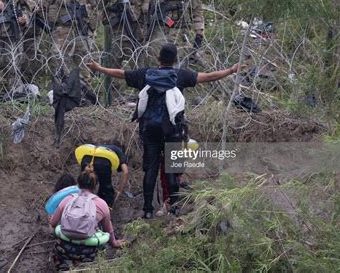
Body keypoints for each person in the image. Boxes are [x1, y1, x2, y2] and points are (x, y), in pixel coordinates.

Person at [87, 43, 246, 219]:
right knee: (172, 168)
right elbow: (209, 76)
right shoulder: (181, 75)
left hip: (149, 130)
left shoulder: (145, 74)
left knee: (151, 170)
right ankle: (174, 208)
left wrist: (99, 68)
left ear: (158, 59)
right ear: (176, 60)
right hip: (173, 130)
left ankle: (147, 210)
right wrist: (231, 70)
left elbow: (121, 73)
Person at [50, 166, 123, 270]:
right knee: (100, 241)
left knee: (59, 256)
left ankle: (63, 268)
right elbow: (108, 229)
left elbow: (53, 223)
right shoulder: (102, 204)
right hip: (87, 252)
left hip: (64, 250)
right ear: (96, 186)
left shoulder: (67, 199)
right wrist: (114, 243)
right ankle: (82, 267)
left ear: (78, 184)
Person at [40, 0, 98, 82]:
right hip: (63, 30)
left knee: (83, 62)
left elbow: (96, 5)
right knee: (57, 56)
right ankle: (64, 86)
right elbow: (42, 7)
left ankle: (84, 92)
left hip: (82, 28)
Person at [102, 0, 151, 68]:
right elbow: (99, 4)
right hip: (117, 35)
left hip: (136, 35)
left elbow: (147, 10)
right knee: (112, 69)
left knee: (139, 69)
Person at [10, 0, 43, 83]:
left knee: (32, 60)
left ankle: (29, 84)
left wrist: (29, 16)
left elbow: (40, 11)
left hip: (31, 34)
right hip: (13, 34)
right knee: (13, 60)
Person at [77, 141, 130, 208]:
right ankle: (105, 209)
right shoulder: (117, 150)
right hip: (103, 163)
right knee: (106, 190)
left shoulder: (98, 146)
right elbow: (125, 172)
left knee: (85, 185)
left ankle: (81, 206)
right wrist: (119, 191)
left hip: (86, 159)